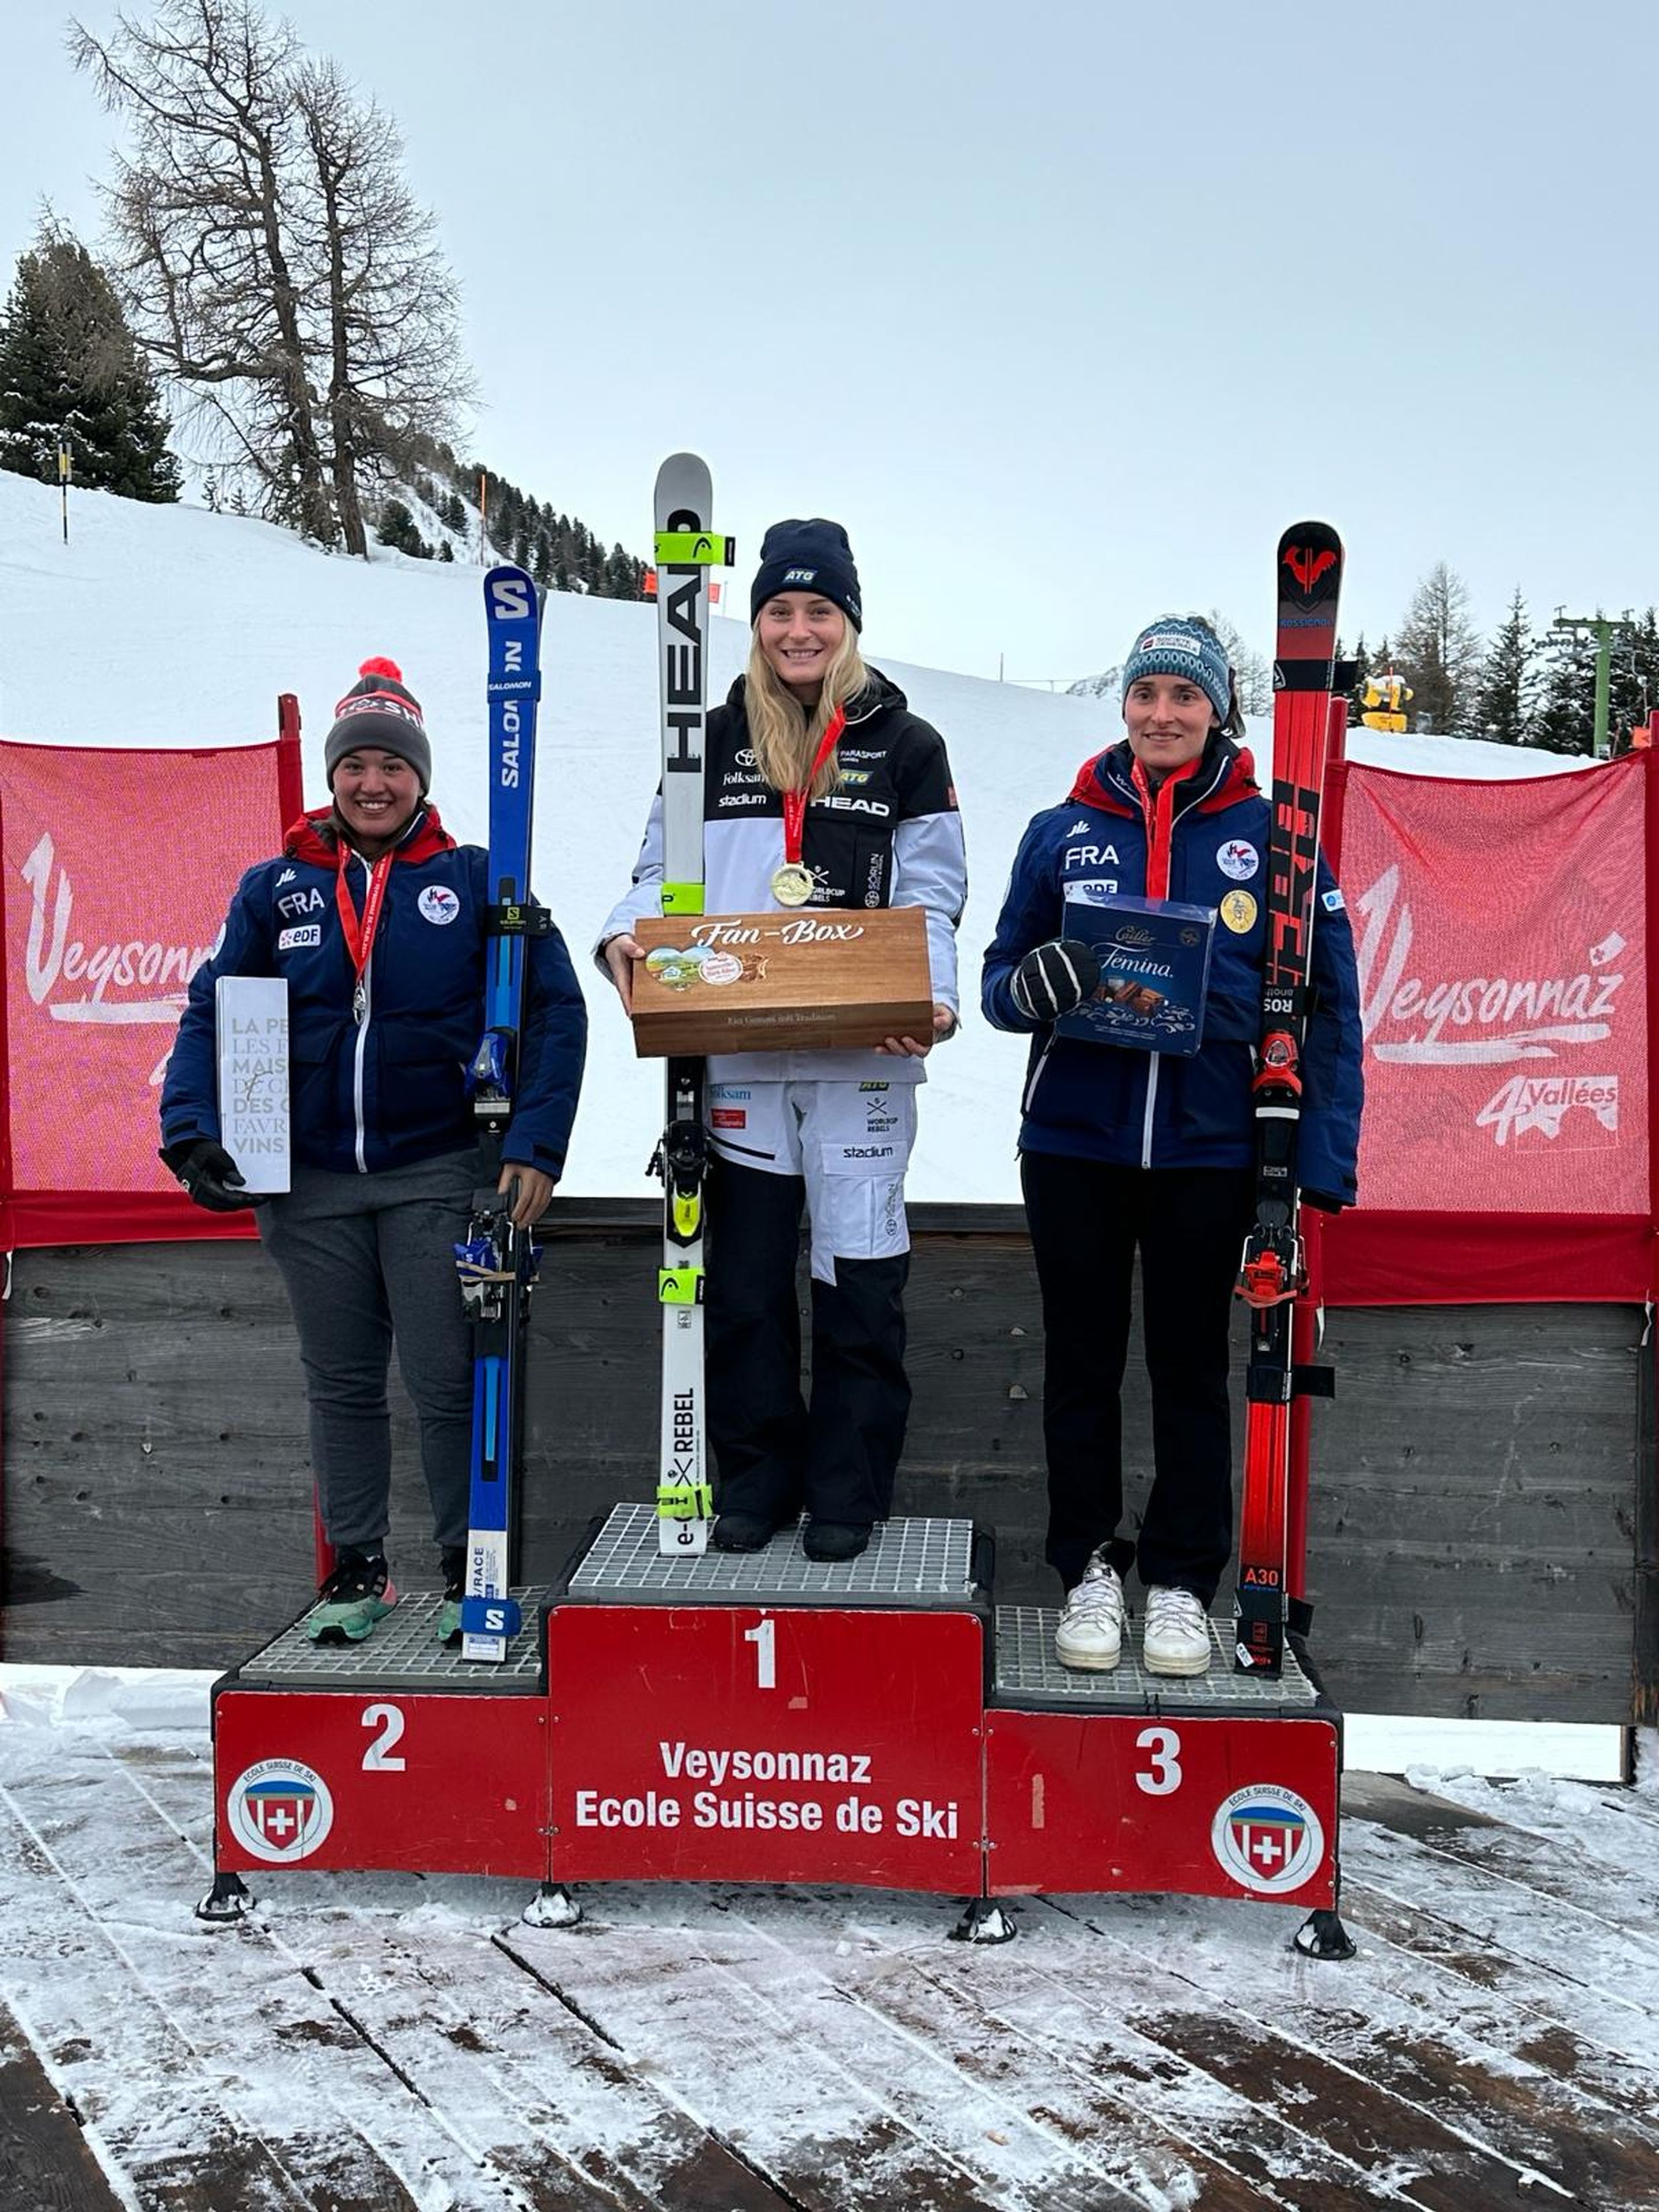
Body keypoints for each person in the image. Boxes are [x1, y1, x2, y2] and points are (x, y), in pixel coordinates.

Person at [160, 657, 588, 1644]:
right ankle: (356, 1569)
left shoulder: (477, 877)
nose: (373, 784)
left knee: (447, 1381)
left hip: (437, 1171)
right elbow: (210, 1013)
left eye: (393, 765)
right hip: (307, 1183)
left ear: (420, 777)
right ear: (334, 775)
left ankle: (463, 1568)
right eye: (356, 765)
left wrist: (537, 1143)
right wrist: (192, 1134)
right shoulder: (275, 889)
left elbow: (556, 1014)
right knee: (341, 1383)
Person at [982, 615, 1361, 1676]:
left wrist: (1319, 1167)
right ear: (1125, 707)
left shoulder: (1277, 833)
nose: (1162, 714)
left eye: (1183, 697)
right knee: (1082, 1366)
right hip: (1075, 1144)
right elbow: (998, 981)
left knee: (1192, 1368)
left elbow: (1330, 1009)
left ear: (1217, 710)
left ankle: (1186, 1582)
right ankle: (1090, 1568)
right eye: (1147, 694)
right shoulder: (1064, 830)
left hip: (1209, 1148)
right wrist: (1032, 988)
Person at [600, 521, 966, 1563]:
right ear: (754, 624)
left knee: (859, 1286)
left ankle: (848, 1492)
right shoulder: (707, 741)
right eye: (779, 612)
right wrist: (627, 939)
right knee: (748, 1290)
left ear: (850, 623)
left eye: (820, 612)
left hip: (865, 1063)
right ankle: (755, 1480)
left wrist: (929, 998)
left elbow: (934, 892)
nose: (799, 631)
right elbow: (653, 872)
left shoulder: (907, 745)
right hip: (741, 1058)